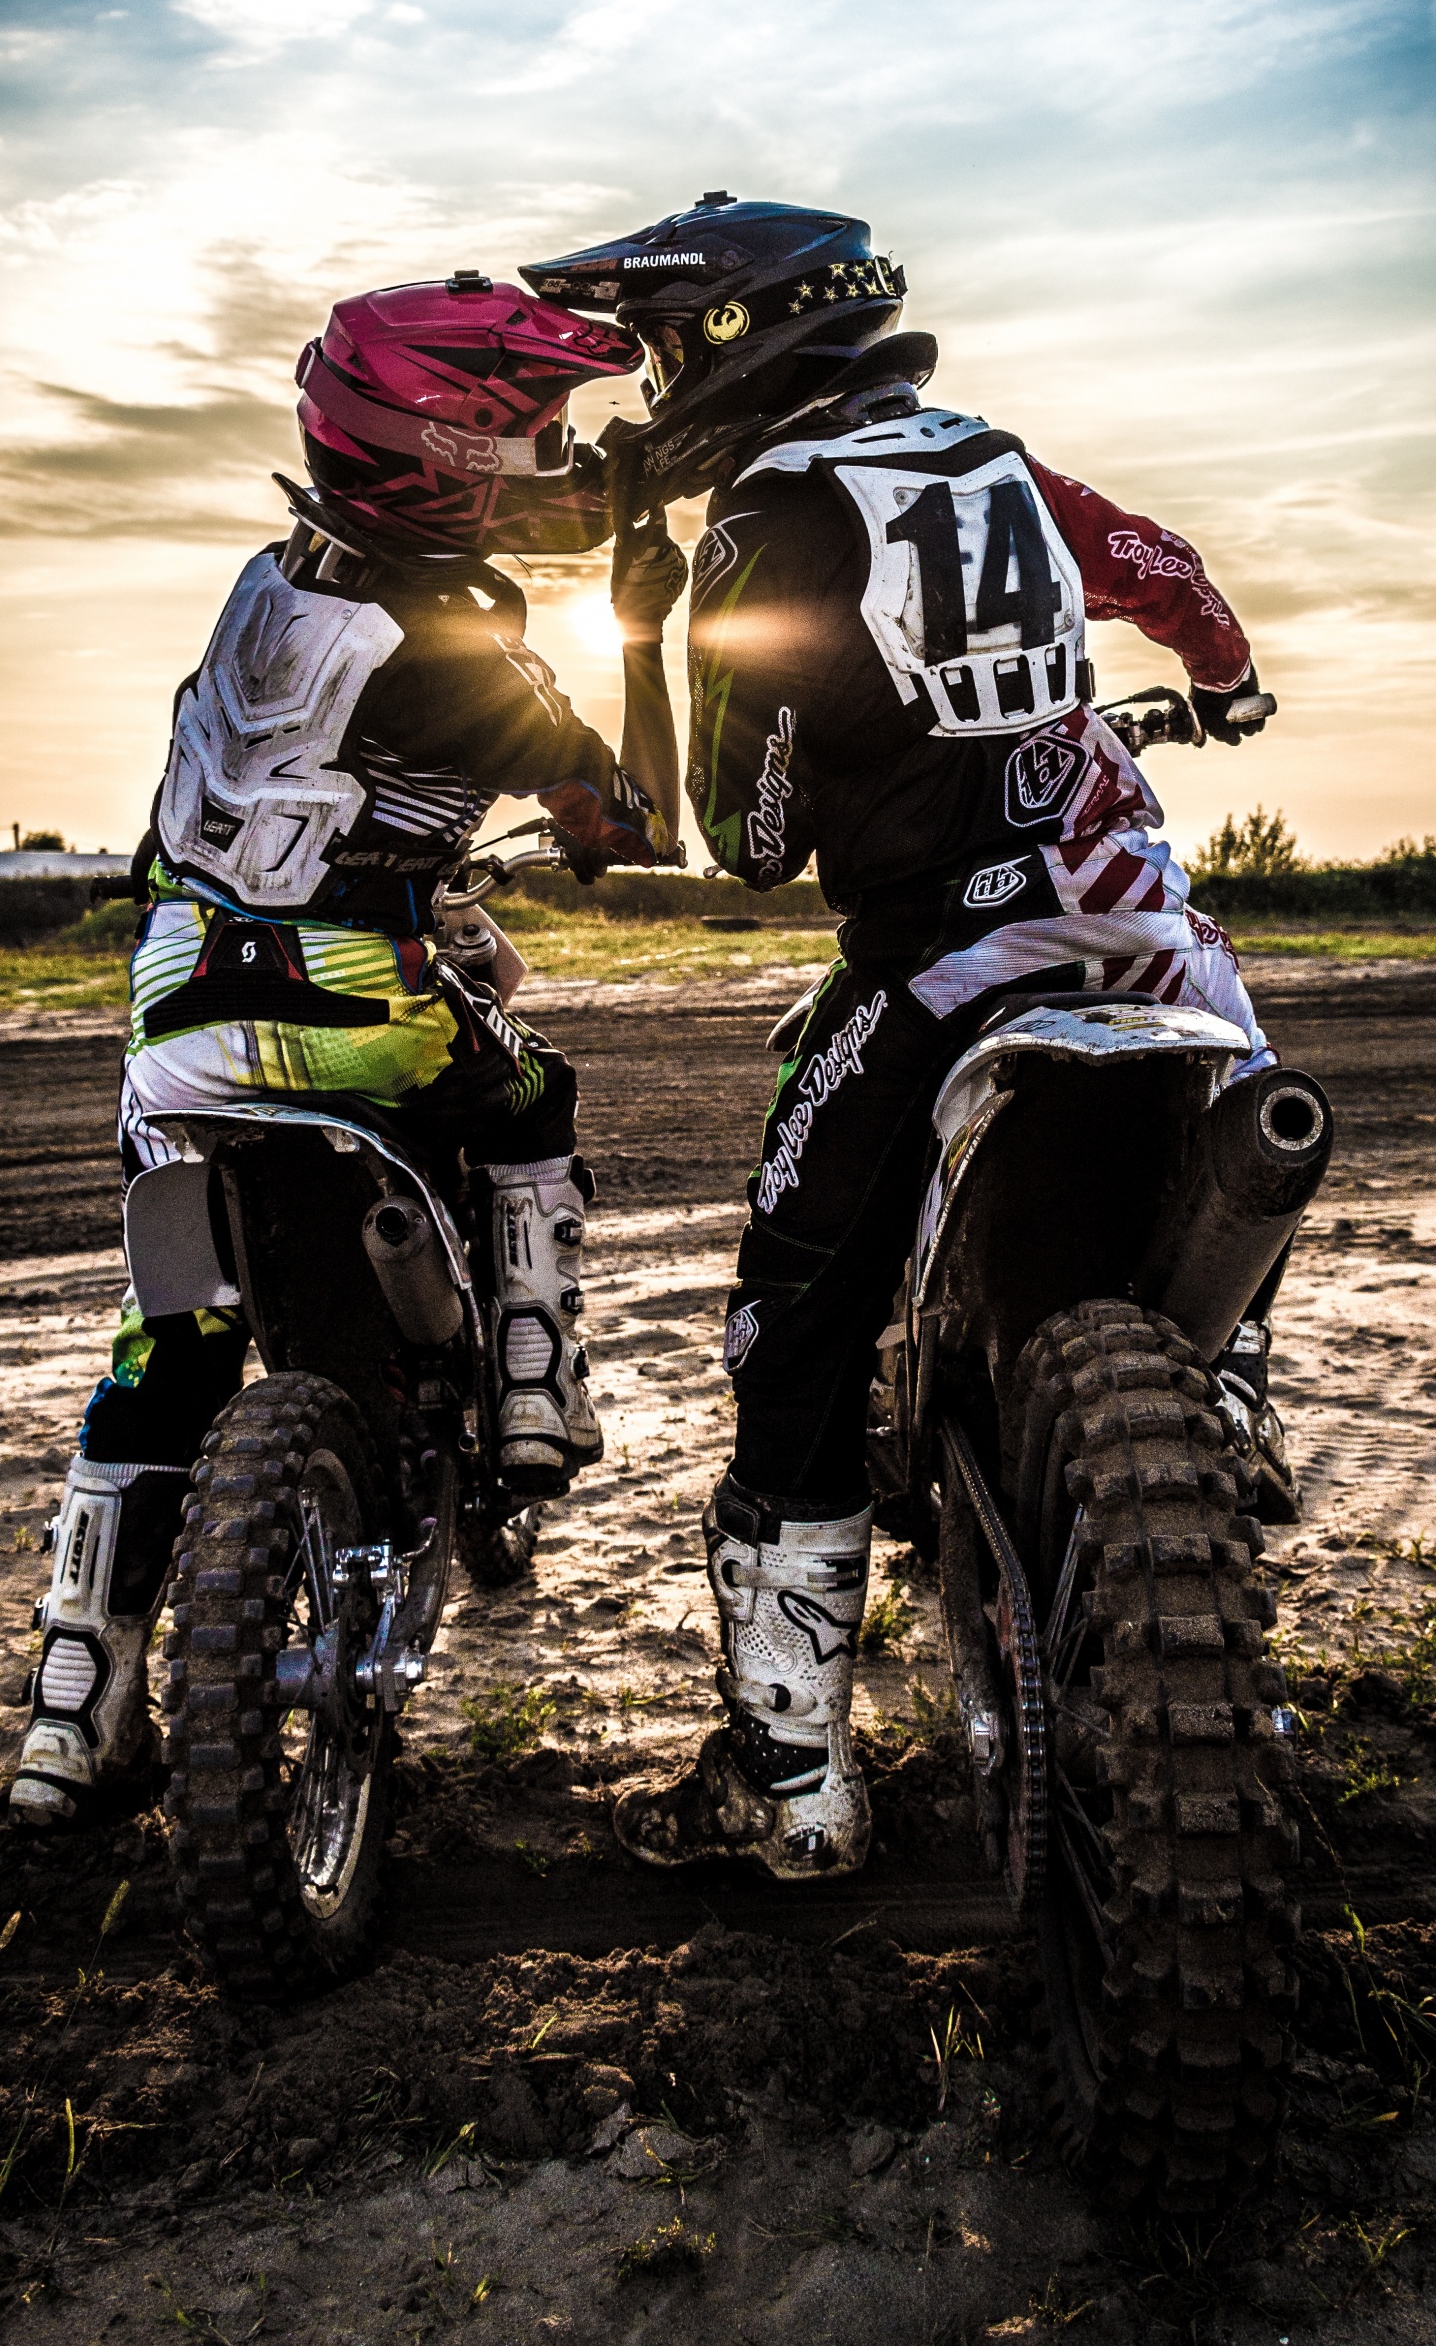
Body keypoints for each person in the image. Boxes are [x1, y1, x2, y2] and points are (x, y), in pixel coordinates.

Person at [522, 194, 1278, 1881]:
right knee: (1240, 1152)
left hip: (944, 964)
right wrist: (1219, 681)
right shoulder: (995, 460)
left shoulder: (773, 519)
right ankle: (1232, 1404)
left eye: (656, 348)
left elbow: (752, 834)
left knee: (790, 1319)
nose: (648, 393)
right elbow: (1157, 569)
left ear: (732, 337)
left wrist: (652, 635)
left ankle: (789, 1781)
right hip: (1151, 939)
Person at [12, 271, 686, 1827]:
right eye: (529, 438)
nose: (551, 464)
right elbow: (619, 827)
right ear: (451, 454)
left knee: (164, 1348)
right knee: (530, 1097)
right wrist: (641, 639)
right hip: (349, 1005)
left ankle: (73, 1705)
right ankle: (531, 1383)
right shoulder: (460, 653)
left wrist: (603, 506)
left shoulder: (268, 583)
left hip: (177, 1012)